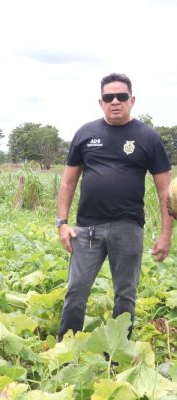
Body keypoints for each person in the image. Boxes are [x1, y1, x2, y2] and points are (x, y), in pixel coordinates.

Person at [56, 73, 173, 341]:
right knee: (76, 289)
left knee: (125, 293)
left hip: (128, 227)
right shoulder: (86, 134)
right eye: (109, 97)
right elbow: (67, 183)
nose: (115, 102)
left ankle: (118, 349)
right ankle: (66, 346)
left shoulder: (148, 137)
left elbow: (165, 191)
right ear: (101, 102)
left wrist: (166, 234)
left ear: (132, 100)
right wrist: (62, 223)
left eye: (121, 97)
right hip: (86, 229)